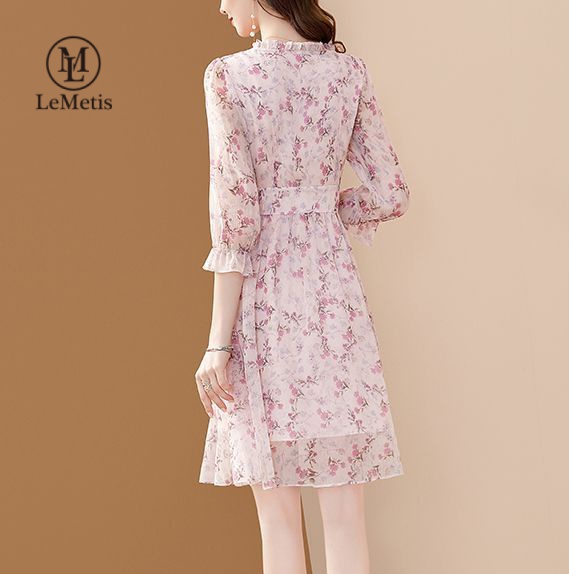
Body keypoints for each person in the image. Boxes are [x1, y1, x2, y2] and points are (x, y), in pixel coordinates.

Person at [194, 1, 411, 572]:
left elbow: (236, 221)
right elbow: (390, 192)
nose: (221, 5)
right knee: (345, 519)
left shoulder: (229, 76)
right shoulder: (347, 72)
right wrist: (322, 209)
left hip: (264, 305)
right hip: (335, 301)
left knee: (279, 523)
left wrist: (217, 345)